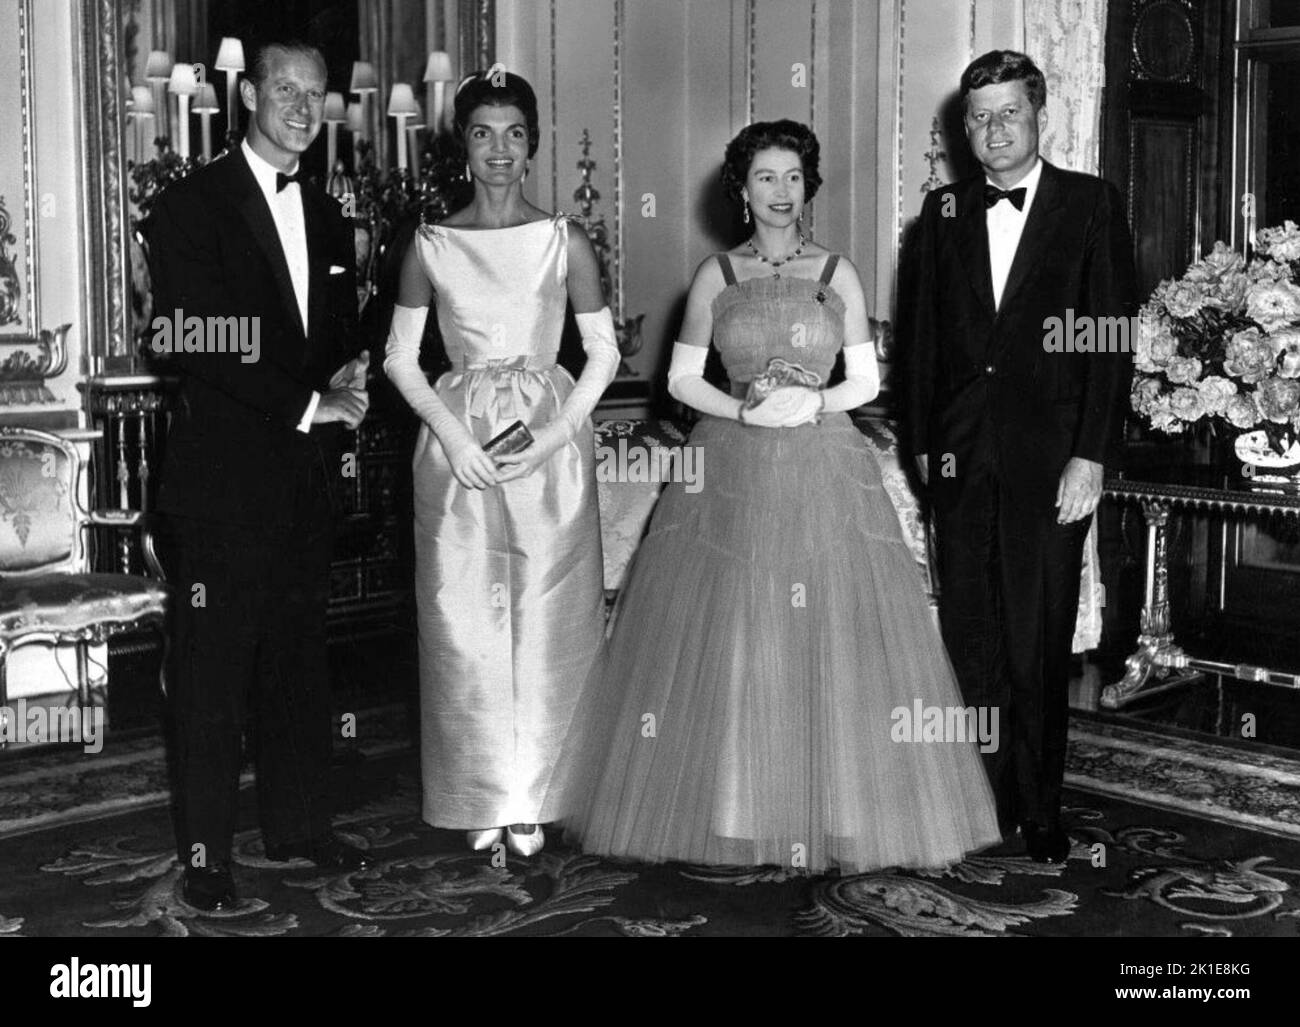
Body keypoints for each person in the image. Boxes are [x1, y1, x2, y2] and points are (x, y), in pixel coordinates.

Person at [540, 120, 1002, 875]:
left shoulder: (838, 271)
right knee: (741, 631)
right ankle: (738, 807)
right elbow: (683, 379)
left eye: (792, 177)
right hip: (731, 469)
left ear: (808, 185)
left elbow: (867, 379)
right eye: (765, 178)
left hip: (825, 468)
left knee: (833, 636)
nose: (780, 192)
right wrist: (744, 410)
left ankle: (842, 809)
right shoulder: (716, 276)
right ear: (741, 190)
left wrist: (812, 406)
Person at [147, 39, 373, 912]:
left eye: (315, 93)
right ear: (248, 94)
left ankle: (300, 822)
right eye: (285, 88)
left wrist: (348, 375)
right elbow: (187, 337)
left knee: (294, 660)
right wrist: (307, 403)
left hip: (300, 479)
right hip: (220, 483)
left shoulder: (328, 214)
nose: (302, 106)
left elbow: (332, 327)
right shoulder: (188, 206)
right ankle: (207, 856)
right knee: (211, 673)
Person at [902, 51, 1137, 863]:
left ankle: (1040, 808)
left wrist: (1092, 456)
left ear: (1041, 117)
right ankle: (978, 801)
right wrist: (927, 448)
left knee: (1037, 640)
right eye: (979, 116)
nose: (994, 129)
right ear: (962, 128)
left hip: (1053, 464)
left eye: (1009, 113)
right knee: (971, 638)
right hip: (962, 461)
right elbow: (924, 345)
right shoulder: (940, 215)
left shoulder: (1091, 205)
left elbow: (1111, 342)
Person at [383, 70, 618, 858]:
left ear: (533, 142)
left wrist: (554, 438)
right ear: (464, 144)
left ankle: (538, 795)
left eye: (514, 133)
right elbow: (399, 360)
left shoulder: (564, 239)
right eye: (483, 133)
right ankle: (483, 787)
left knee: (551, 617)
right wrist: (453, 438)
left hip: (548, 446)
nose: (499, 151)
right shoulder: (429, 244)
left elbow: (605, 352)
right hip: (459, 449)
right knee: (463, 621)